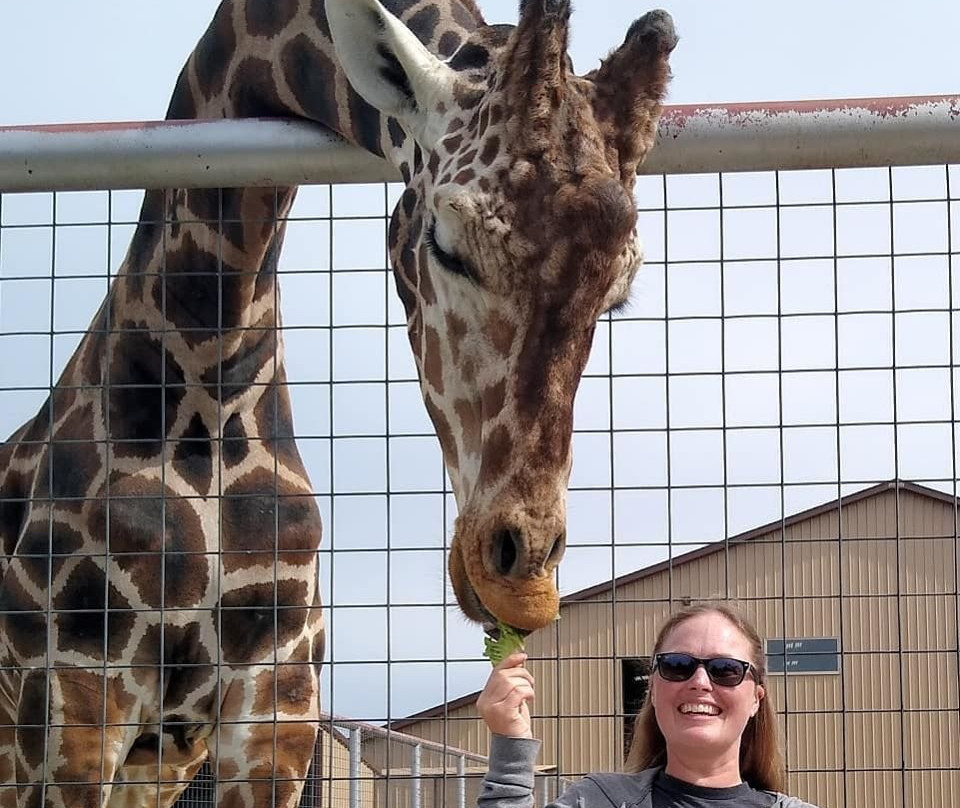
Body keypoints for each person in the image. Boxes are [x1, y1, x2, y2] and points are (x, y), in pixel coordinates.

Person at [476, 602, 821, 807]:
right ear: (654, 689)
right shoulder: (599, 800)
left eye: (725, 670)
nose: (700, 682)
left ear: (756, 700)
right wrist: (511, 748)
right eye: (677, 665)